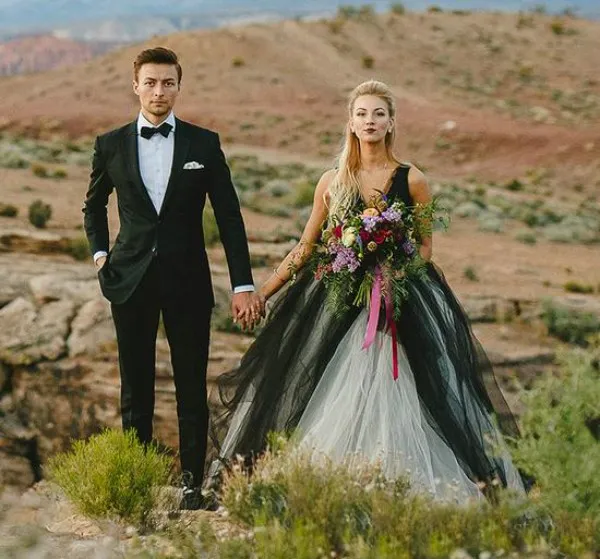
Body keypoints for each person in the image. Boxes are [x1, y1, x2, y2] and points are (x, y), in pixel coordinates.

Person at [209, 80, 526, 502]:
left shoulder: (412, 179)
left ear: (391, 122)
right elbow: (306, 247)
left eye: (378, 113)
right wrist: (264, 292)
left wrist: (396, 269)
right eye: (362, 114)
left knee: (413, 391)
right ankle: (329, 484)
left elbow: (426, 248)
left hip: (403, 299)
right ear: (351, 123)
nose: (370, 121)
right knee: (326, 385)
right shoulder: (332, 181)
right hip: (340, 297)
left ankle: (411, 485)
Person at [82, 47, 263, 510]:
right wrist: (102, 256)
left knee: (189, 387)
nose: (159, 92)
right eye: (151, 83)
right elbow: (93, 206)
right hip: (130, 280)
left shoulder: (204, 144)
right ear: (136, 86)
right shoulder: (111, 143)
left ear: (178, 86)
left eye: (168, 83)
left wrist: (243, 282)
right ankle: (137, 482)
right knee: (135, 386)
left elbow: (229, 216)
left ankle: (191, 487)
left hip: (188, 282)